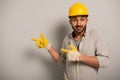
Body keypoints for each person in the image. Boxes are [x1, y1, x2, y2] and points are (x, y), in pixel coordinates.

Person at [31, 2, 109, 80]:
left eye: (82, 19)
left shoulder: (95, 35)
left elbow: (105, 61)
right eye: (75, 20)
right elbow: (61, 61)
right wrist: (48, 46)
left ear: (86, 21)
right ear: (70, 22)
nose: (79, 24)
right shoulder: (67, 39)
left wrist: (80, 57)